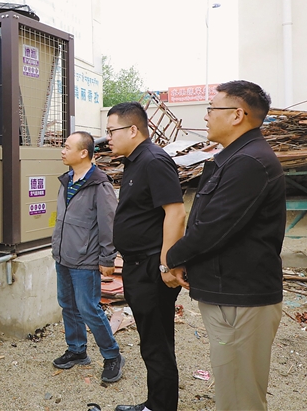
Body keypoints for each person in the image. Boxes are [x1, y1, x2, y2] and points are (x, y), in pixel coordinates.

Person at [166, 81, 285, 411]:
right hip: (228, 291)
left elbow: (214, 228)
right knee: (231, 385)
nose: (206, 116)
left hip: (241, 296)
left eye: (211, 109)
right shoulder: (235, 158)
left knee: (241, 395)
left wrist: (171, 259)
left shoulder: (250, 162)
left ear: (237, 115)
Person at [106, 102, 186, 411]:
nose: (108, 138)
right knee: (153, 340)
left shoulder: (153, 160)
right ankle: (157, 402)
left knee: (156, 343)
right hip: (137, 265)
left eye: (111, 131)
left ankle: (160, 407)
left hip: (151, 267)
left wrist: (166, 264)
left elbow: (176, 213)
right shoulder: (134, 162)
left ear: (132, 130)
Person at [51, 131, 125, 384]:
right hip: (64, 256)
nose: (62, 151)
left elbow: (108, 224)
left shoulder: (99, 185)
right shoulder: (67, 180)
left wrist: (107, 258)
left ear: (83, 153)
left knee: (89, 309)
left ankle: (112, 355)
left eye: (67, 147)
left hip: (85, 259)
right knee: (68, 305)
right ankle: (77, 350)